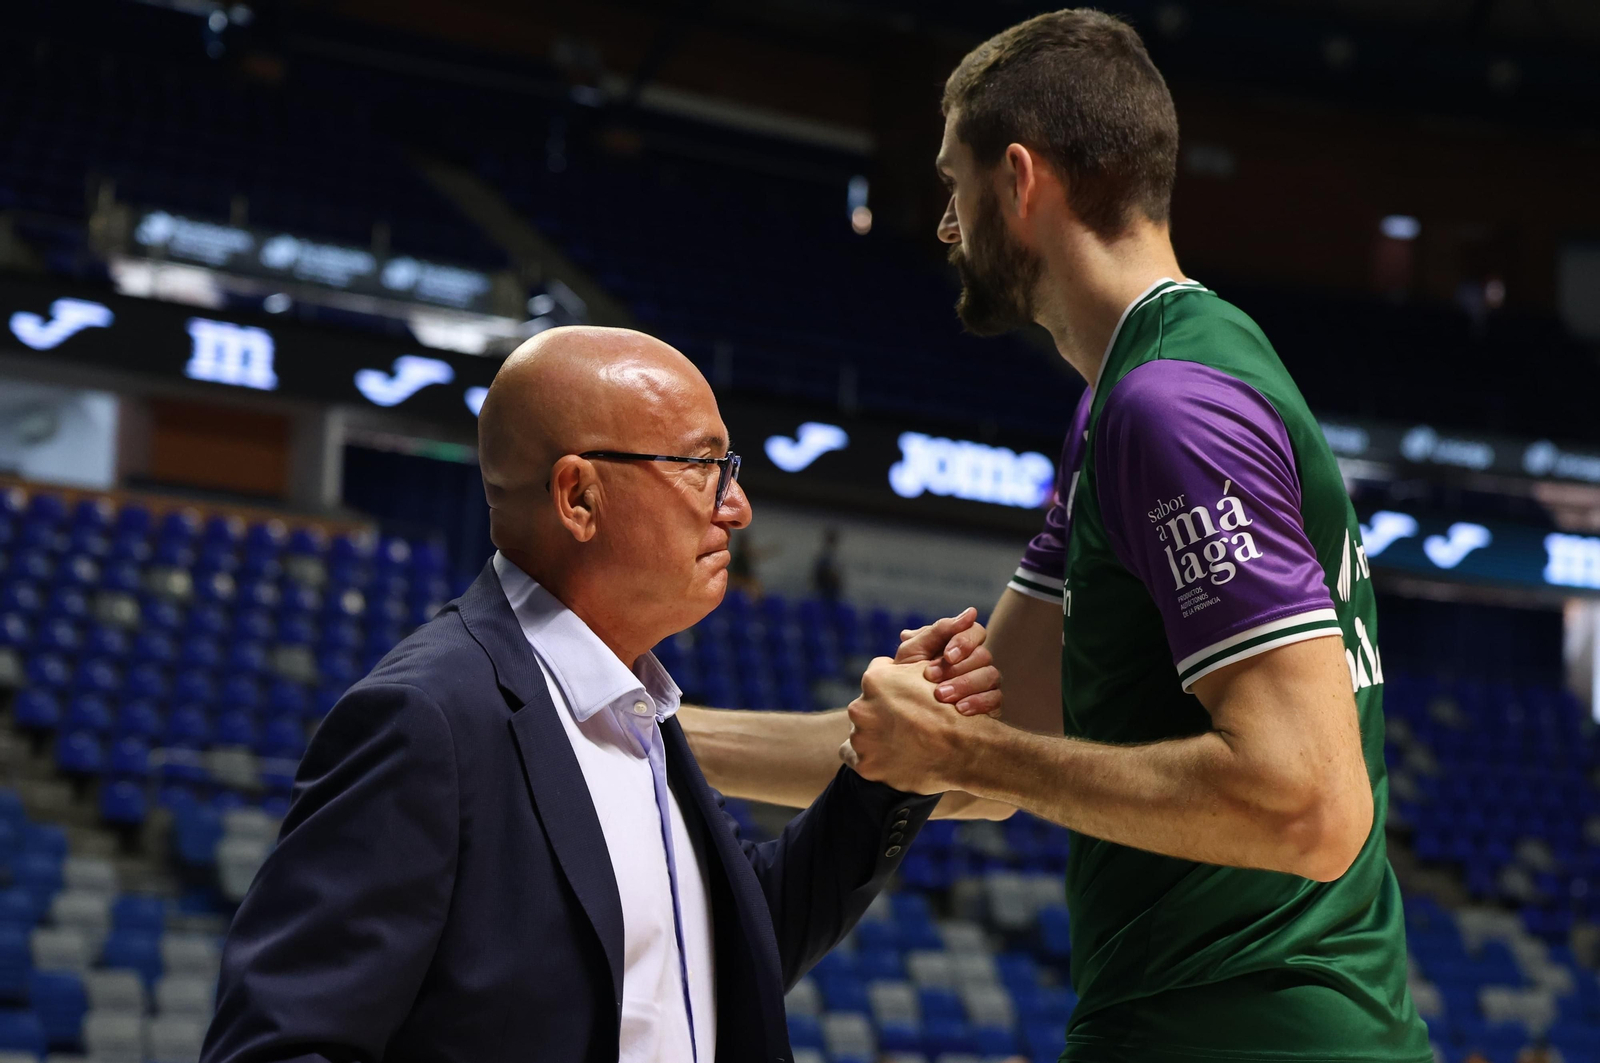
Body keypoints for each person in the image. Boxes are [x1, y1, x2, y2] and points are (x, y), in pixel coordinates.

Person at [681, 9, 1431, 1062]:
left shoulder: (1168, 409)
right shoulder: (1129, 398)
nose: (945, 225)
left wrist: (973, 745)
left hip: (1251, 1033)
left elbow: (1308, 804)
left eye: (953, 185)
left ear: (1020, 182)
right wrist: (655, 739)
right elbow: (972, 774)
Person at [200, 326, 961, 1063]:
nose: (737, 506)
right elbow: (277, 1043)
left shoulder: (636, 706)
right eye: (703, 468)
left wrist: (888, 768)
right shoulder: (428, 717)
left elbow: (717, 946)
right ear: (579, 498)